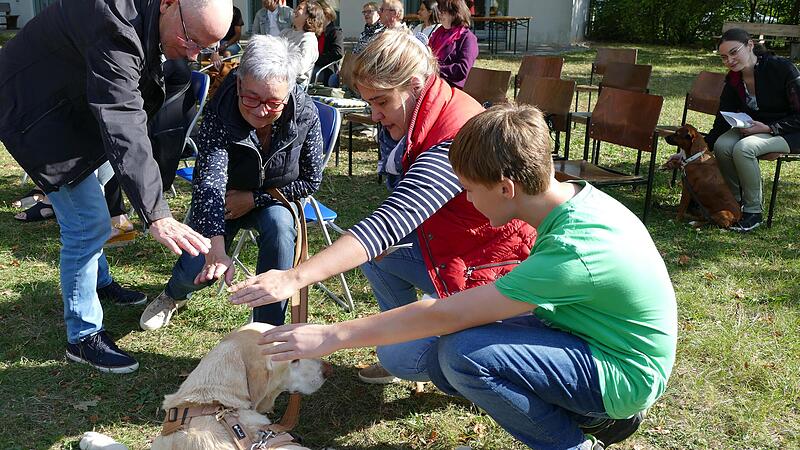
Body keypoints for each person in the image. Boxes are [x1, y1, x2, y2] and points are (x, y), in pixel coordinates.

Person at [253, 104, 678, 450]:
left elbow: (443, 315)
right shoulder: (575, 200)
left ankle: (576, 439)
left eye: (469, 189)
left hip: (623, 374)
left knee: (465, 354)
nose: (467, 200)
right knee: (447, 349)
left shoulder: (572, 251)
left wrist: (330, 336)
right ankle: (586, 415)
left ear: (506, 187)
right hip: (588, 337)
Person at [228, 30, 536, 384]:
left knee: (396, 356)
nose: (374, 115)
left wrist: (294, 278)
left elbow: (392, 220)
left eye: (381, 102)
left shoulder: (453, 137)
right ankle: (408, 334)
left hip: (492, 269)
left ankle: (471, 366)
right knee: (379, 260)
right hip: (461, 252)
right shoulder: (422, 111)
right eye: (369, 103)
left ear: (416, 84)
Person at [0, 0, 230, 373]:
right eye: (190, 38)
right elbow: (122, 117)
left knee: (105, 177)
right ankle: (83, 336)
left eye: (203, 47)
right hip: (35, 112)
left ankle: (98, 281)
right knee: (87, 224)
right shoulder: (114, 25)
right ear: (170, 4)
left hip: (75, 102)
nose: (192, 53)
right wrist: (157, 213)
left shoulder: (158, 18)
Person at [140, 34, 323, 332]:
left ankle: (265, 328)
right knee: (195, 265)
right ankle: (173, 295)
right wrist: (216, 247)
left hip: (276, 198)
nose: (262, 110)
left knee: (280, 227)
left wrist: (253, 199)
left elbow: (310, 180)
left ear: (289, 91)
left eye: (274, 102)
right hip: (224, 199)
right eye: (251, 98)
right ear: (239, 82)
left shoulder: (305, 114)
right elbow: (210, 183)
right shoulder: (219, 112)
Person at [704, 28, 800, 232]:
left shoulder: (782, 69)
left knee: (744, 148)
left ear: (750, 45)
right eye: (724, 57)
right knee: (722, 145)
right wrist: (699, 150)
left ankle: (753, 212)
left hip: (790, 131)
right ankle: (733, 203)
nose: (729, 60)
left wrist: (768, 128)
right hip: (756, 128)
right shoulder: (734, 78)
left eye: (733, 52)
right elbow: (723, 118)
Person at [428, 0, 478, 88]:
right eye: (439, 11)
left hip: (452, 87)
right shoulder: (438, 33)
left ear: (455, 14)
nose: (439, 15)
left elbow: (463, 69)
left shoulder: (468, 38)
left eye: (443, 12)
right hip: (432, 81)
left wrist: (436, 68)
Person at [281, 0, 325, 86]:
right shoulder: (285, 33)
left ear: (309, 16)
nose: (294, 11)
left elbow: (300, 68)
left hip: (295, 85)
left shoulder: (309, 39)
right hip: (277, 78)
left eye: (299, 9)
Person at [312, 1, 344, 86]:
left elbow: (338, 53)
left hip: (326, 69)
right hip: (314, 65)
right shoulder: (316, 32)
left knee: (305, 75)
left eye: (318, 15)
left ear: (327, 14)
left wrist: (316, 60)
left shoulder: (335, 31)